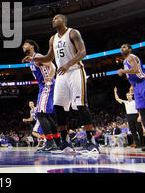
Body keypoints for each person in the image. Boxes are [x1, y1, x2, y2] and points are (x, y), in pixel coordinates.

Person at [23, 14, 99, 154]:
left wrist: (68, 64)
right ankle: (65, 143)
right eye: (52, 19)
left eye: (57, 18)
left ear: (64, 21)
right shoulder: (53, 38)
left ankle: (92, 142)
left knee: (81, 105)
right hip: (62, 75)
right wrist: (33, 59)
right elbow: (49, 58)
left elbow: (82, 52)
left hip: (76, 70)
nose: (53, 20)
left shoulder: (73, 33)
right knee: (58, 108)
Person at [22, 40, 61, 152]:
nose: (23, 46)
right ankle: (57, 141)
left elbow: (52, 66)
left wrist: (51, 77)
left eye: (26, 44)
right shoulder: (31, 59)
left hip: (47, 85)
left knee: (40, 114)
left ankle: (50, 142)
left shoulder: (38, 56)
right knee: (46, 116)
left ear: (32, 46)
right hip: (42, 86)